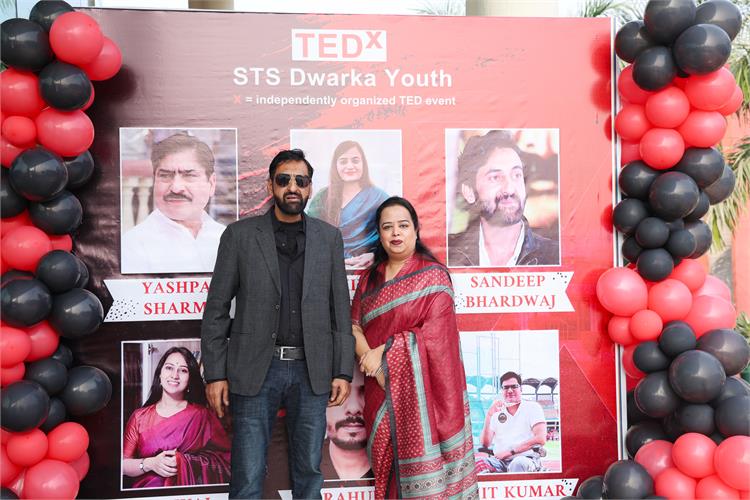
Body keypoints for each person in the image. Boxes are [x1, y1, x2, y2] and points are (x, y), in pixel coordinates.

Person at [200, 149, 355, 499]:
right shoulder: (240, 236)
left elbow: (339, 310)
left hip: (312, 370)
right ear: (271, 185)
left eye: (300, 181)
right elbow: (217, 309)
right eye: (284, 180)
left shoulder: (329, 239)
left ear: (310, 187)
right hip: (255, 367)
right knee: (247, 473)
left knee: (309, 472)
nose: (292, 187)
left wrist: (342, 371)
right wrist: (216, 373)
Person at [351, 196, 478, 499]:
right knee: (390, 476)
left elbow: (437, 336)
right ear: (380, 234)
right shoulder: (369, 279)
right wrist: (373, 363)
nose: (395, 233)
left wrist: (384, 353)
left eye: (403, 225)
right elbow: (353, 326)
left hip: (427, 397)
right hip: (379, 389)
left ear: (416, 230)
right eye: (387, 227)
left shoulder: (433, 276)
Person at [122, 346, 231, 488]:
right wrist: (150, 464)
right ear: (159, 374)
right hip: (147, 493)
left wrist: (183, 461)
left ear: (190, 379)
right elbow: (123, 464)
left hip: (187, 495)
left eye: (183, 370)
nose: (175, 375)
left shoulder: (202, 416)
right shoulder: (139, 417)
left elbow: (225, 460)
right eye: (169, 368)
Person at [448, 130, 559, 267]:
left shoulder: (555, 256)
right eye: (495, 177)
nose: (509, 189)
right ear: (469, 192)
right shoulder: (447, 255)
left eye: (516, 175)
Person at [121, 133, 226, 274]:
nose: (176, 188)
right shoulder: (132, 246)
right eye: (165, 175)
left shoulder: (227, 238)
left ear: (211, 184)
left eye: (189, 175)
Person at [307, 140, 390, 269]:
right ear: (335, 165)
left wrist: (376, 255)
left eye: (355, 160)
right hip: (329, 269)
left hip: (370, 270)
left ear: (363, 164)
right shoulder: (322, 197)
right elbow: (310, 235)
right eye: (343, 161)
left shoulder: (380, 198)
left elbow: (392, 235)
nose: (350, 166)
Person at [475, 371, 547, 474]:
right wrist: (489, 415)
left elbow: (540, 438)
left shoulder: (532, 407)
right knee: (477, 463)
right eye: (506, 387)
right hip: (500, 461)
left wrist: (509, 452)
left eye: (514, 386)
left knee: (517, 464)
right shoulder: (497, 412)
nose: (509, 390)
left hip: (525, 458)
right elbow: (485, 443)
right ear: (502, 390)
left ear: (521, 389)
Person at [321, 369, 372, 480]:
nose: (353, 409)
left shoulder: (392, 470)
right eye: (338, 391)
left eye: (364, 391)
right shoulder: (308, 466)